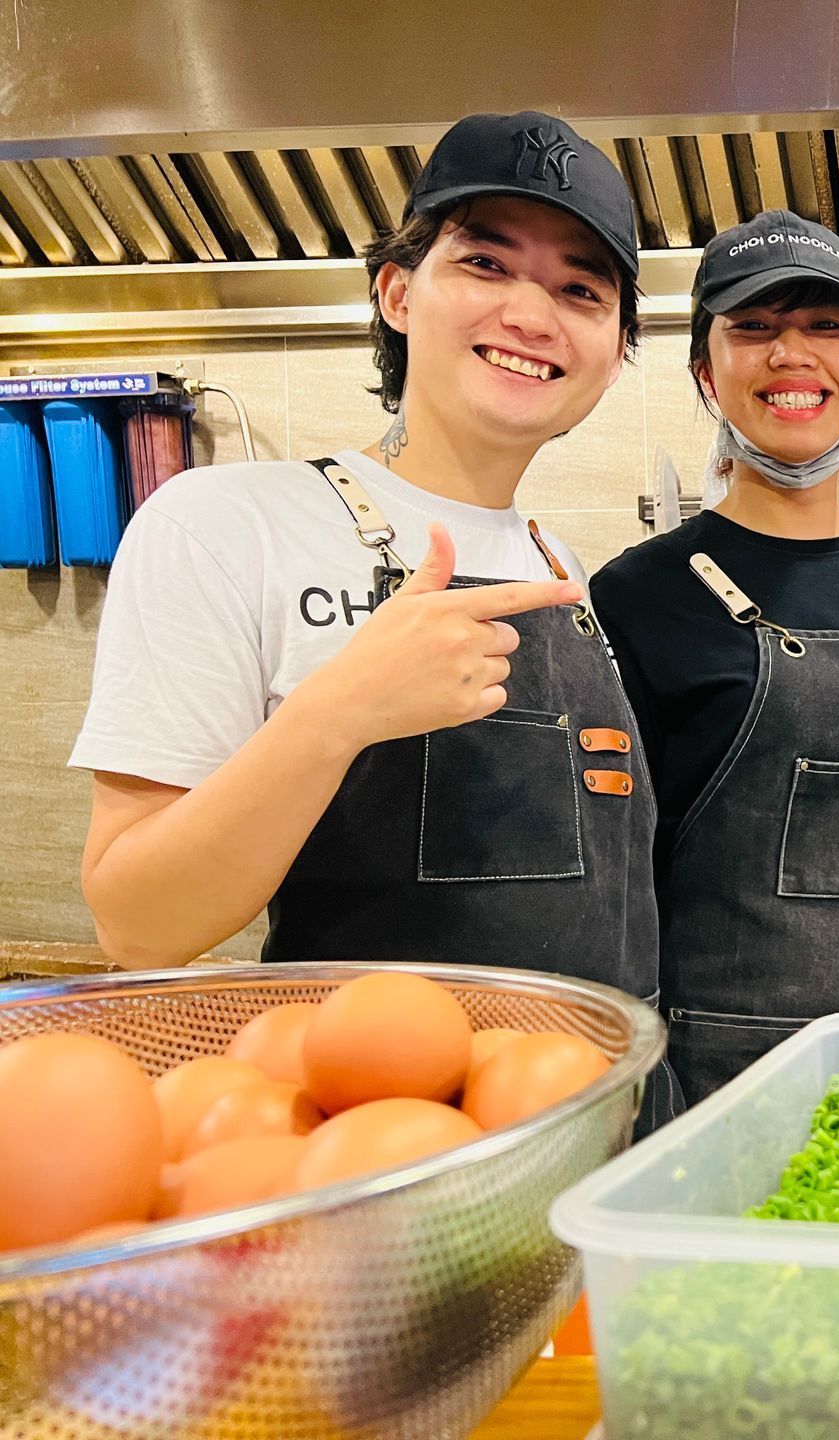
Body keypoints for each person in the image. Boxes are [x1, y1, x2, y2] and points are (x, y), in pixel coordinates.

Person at [71, 112, 659, 1019]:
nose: (532, 315)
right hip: (388, 1131)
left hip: (601, 1122)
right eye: (485, 263)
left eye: (581, 290)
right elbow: (137, 925)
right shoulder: (227, 522)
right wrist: (340, 712)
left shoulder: (562, 567)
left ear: (615, 355)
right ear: (396, 294)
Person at [590, 210, 839, 1110]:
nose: (791, 354)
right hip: (709, 1082)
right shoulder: (635, 598)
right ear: (704, 371)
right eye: (753, 328)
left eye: (825, 327)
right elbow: (615, 886)